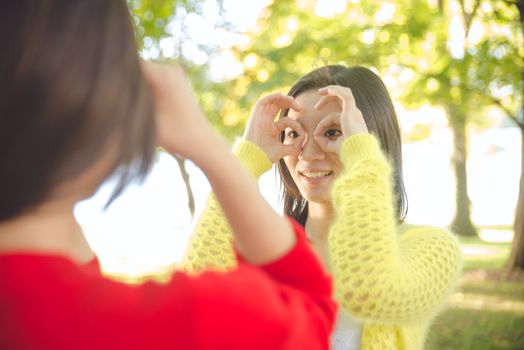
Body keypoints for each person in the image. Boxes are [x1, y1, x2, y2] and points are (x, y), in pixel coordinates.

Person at [0, 2, 337, 349]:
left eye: (332, 133)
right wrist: (215, 151)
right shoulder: (174, 323)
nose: (310, 152)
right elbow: (310, 307)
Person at [183, 65, 463, 349]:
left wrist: (363, 160)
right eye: (294, 134)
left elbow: (372, 290)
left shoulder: (432, 248)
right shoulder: (272, 246)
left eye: (332, 131)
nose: (308, 153)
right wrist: (246, 162)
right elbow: (202, 281)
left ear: (368, 140)